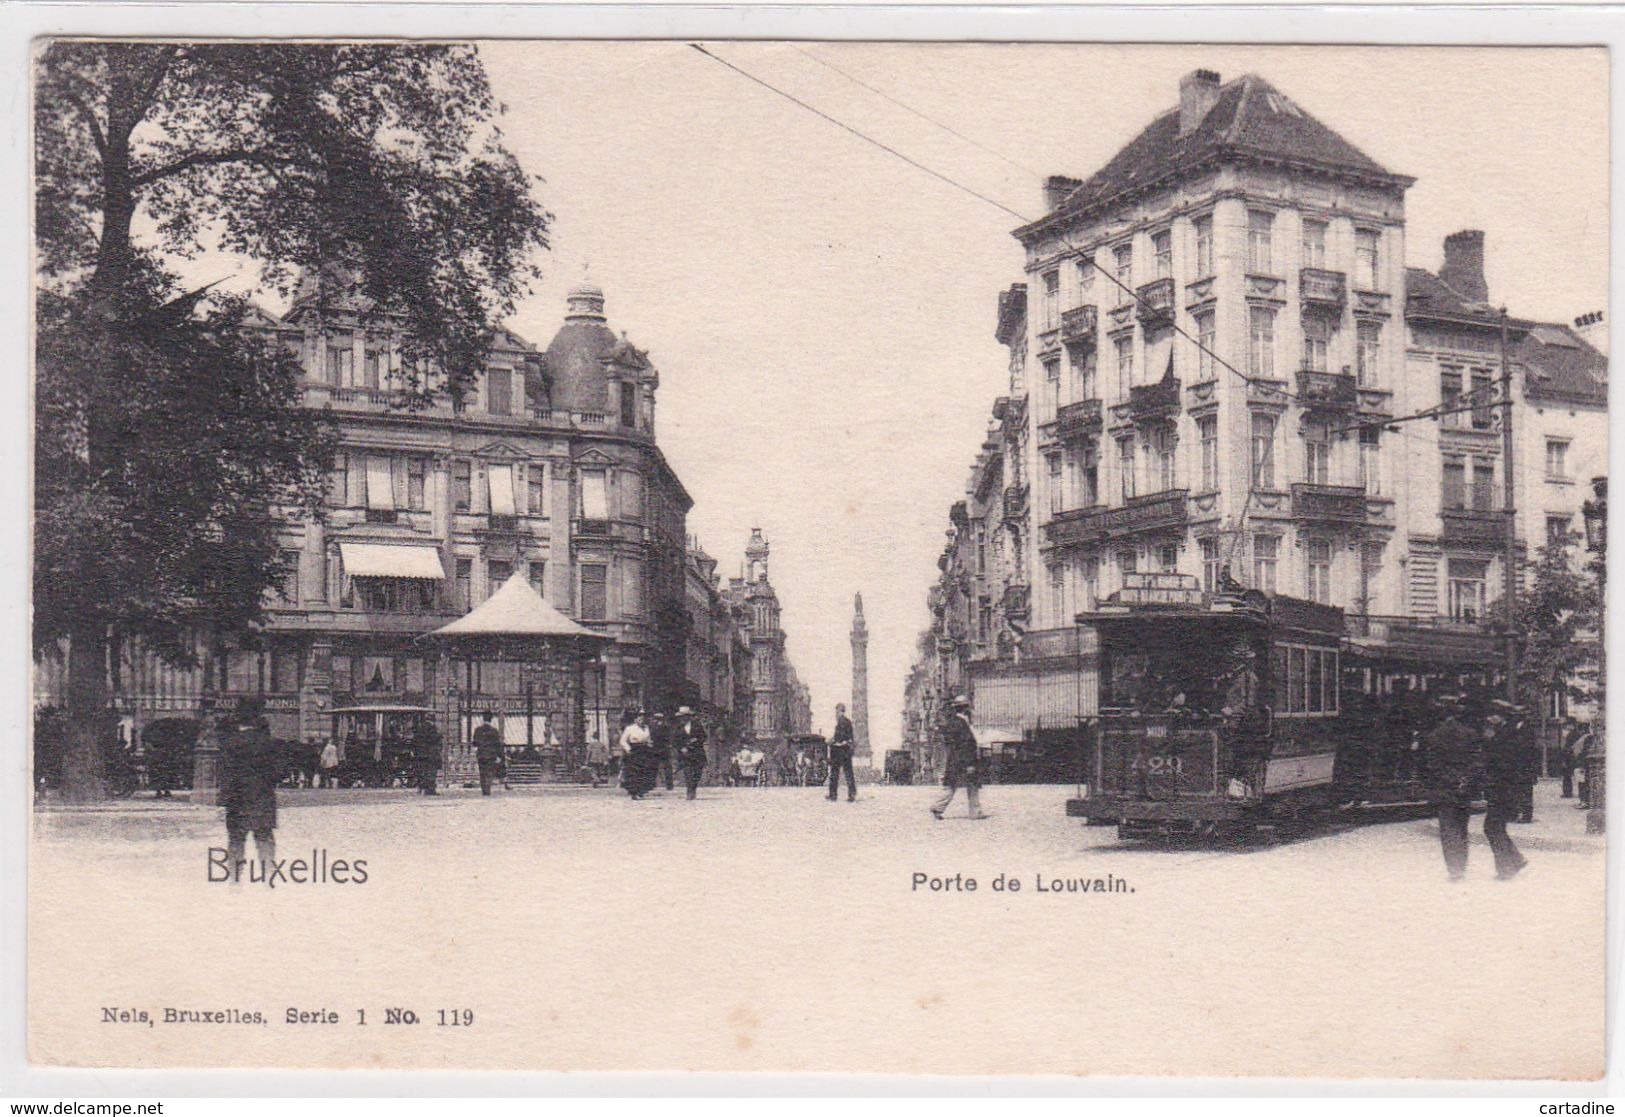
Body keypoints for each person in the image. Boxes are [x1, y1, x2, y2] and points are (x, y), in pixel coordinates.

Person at [1425, 693, 1481, 882]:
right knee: (1461, 825)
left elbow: (1432, 765)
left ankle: (1454, 868)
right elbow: (1476, 762)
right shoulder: (1470, 734)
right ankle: (1462, 864)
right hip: (1464, 789)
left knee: (1448, 828)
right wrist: (1465, 779)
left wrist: (1450, 779)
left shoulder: (1434, 736)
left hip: (1445, 788)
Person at [221, 697, 278, 879]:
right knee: (264, 839)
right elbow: (276, 772)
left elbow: (225, 773)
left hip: (237, 799)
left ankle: (235, 880)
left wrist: (225, 797)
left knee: (236, 841)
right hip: (263, 797)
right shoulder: (267, 743)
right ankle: (268, 878)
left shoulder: (231, 742)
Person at [1482, 703, 1530, 879]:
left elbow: (1502, 762)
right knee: (1495, 826)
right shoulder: (1507, 732)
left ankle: (1506, 868)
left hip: (1503, 788)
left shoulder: (1505, 735)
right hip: (1505, 788)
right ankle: (1515, 859)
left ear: (1501, 716)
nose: (1488, 719)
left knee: (1492, 827)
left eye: (1492, 715)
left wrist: (1489, 742)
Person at [931, 695, 987, 821]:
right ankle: (975, 812)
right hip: (964, 758)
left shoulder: (952, 722)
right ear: (964, 708)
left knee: (951, 785)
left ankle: (938, 807)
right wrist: (970, 763)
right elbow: (967, 743)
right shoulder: (961, 722)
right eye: (967, 707)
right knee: (972, 785)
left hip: (954, 759)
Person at [618, 710, 654, 800]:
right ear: (635, 719)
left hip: (644, 750)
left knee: (644, 770)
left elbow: (648, 738)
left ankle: (641, 791)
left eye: (643, 716)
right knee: (634, 772)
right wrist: (628, 749)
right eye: (639, 717)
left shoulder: (646, 728)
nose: (641, 718)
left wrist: (649, 743)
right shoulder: (630, 728)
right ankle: (634, 792)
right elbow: (622, 741)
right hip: (634, 750)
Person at [675, 707, 708, 800]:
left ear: (688, 717)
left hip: (697, 752)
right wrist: (681, 748)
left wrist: (696, 739)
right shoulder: (678, 728)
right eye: (681, 717)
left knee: (697, 772)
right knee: (688, 772)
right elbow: (675, 741)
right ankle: (690, 791)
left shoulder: (697, 725)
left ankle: (693, 787)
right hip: (685, 754)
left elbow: (704, 737)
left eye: (684, 716)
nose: (683, 719)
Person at [828, 703, 857, 802]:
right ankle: (852, 794)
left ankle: (833, 795)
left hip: (839, 750)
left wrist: (831, 741)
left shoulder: (841, 722)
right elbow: (849, 737)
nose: (835, 713)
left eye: (837, 711)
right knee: (848, 773)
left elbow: (839, 737)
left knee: (834, 773)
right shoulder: (848, 722)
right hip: (846, 751)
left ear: (840, 711)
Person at [473, 712, 504, 796]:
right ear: (491, 719)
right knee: (489, 773)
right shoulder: (494, 731)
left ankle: (484, 790)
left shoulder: (477, 730)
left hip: (481, 755)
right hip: (491, 755)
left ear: (483, 719)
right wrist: (499, 756)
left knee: (482, 773)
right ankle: (487, 789)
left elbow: (475, 744)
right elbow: (498, 745)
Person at [413, 717, 442, 796]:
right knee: (431, 773)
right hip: (431, 755)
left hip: (420, 755)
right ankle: (430, 790)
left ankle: (421, 788)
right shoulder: (433, 729)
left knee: (422, 772)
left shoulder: (419, 729)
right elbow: (436, 740)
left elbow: (415, 741)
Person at [651, 712, 675, 792]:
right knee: (654, 766)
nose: (657, 721)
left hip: (664, 749)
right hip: (655, 749)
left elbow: (669, 738)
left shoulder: (665, 728)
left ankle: (669, 785)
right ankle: (652, 784)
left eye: (659, 719)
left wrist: (669, 745)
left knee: (667, 767)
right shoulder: (652, 728)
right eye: (656, 719)